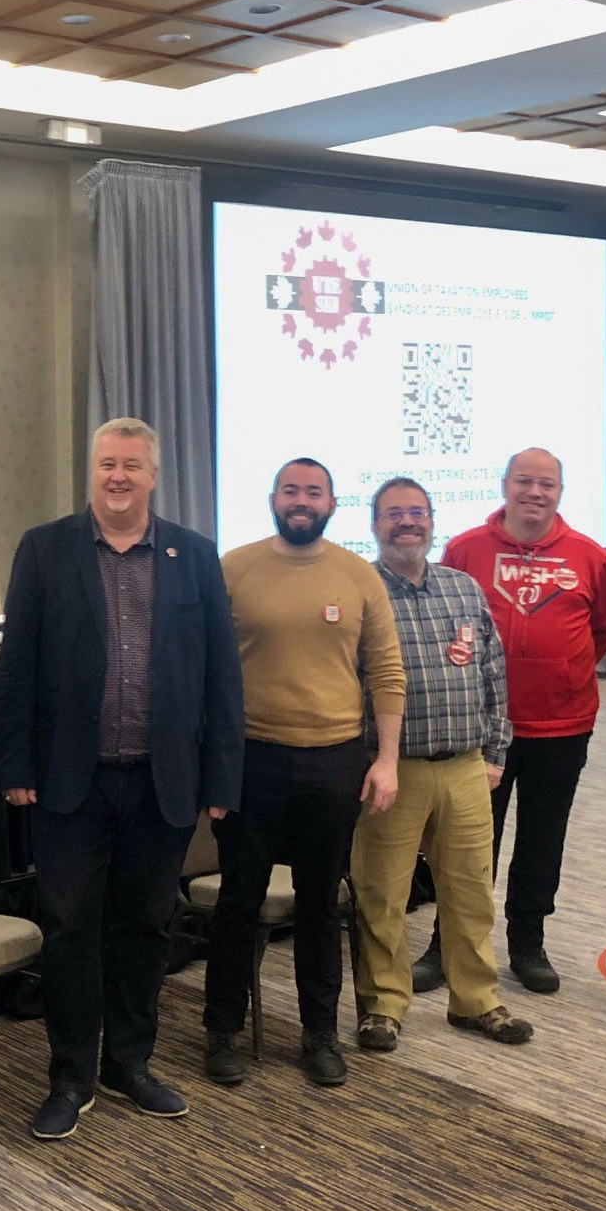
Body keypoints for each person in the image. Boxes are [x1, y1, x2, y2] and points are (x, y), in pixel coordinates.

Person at [0, 418, 244, 1139]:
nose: (119, 477)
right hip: (70, 781)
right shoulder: (46, 548)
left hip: (163, 781)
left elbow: (222, 677)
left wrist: (222, 776)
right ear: (92, 471)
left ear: (153, 474)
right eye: (108, 463)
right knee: (70, 930)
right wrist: (13, 765)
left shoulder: (194, 556)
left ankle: (128, 1063)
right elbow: (17, 668)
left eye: (133, 465)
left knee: (144, 926)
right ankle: (71, 1074)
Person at [203, 457, 405, 1088]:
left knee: (321, 904)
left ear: (331, 504)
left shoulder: (357, 576)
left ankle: (320, 1035)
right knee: (239, 900)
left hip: (334, 759)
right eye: (290, 489)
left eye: (312, 492)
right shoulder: (233, 568)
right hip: (250, 761)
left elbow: (387, 674)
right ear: (272, 498)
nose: (301, 500)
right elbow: (202, 674)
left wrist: (388, 760)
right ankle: (222, 1033)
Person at [423, 449, 606, 994]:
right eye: (525, 481)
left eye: (547, 484)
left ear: (561, 491)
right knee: (465, 843)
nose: (535, 492)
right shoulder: (465, 549)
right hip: (481, 728)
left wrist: (558, 668)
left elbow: (604, 628)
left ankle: (528, 943)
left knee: (541, 838)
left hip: (562, 726)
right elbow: (443, 621)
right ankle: (447, 943)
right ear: (505, 485)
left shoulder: (588, 555)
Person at [350, 478, 532, 1054]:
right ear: (374, 525)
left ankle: (475, 998)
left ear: (432, 521)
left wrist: (496, 753)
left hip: (466, 767)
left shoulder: (464, 589)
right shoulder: (360, 593)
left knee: (471, 889)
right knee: (383, 895)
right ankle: (382, 1005)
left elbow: (492, 675)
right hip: (391, 772)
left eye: (417, 512)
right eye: (394, 514)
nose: (408, 522)